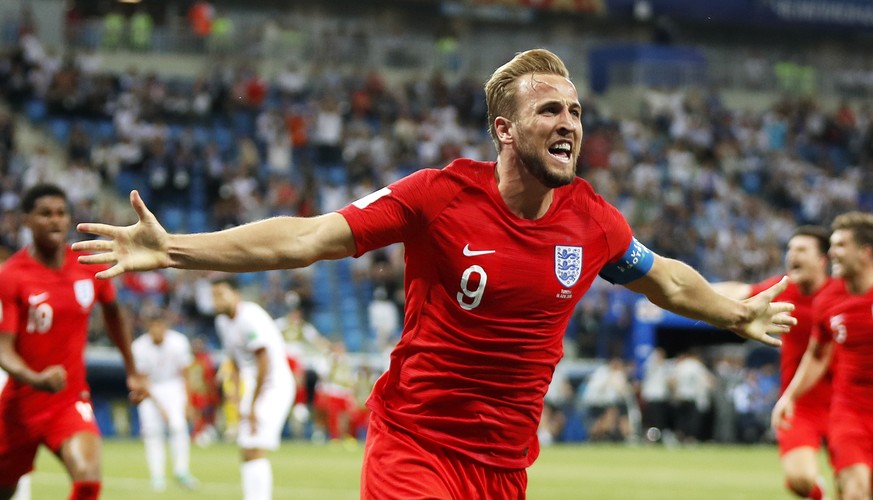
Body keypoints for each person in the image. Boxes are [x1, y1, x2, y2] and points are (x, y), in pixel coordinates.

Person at [73, 49, 795, 498]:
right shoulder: (437, 195)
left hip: (504, 469)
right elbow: (309, 237)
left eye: (574, 110)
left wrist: (737, 314)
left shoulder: (593, 220)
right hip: (415, 445)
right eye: (548, 109)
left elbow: (663, 278)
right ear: (504, 130)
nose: (568, 122)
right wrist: (176, 249)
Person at [0, 183, 146, 500]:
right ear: (26, 220)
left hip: (69, 400)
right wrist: (35, 378)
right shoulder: (11, 275)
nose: (54, 220)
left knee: (88, 482)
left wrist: (132, 369)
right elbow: (3, 349)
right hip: (19, 407)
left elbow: (113, 313)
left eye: (60, 213)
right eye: (44, 214)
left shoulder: (86, 263)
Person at [715, 226, 833, 499]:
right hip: (799, 402)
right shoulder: (783, 288)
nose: (792, 255)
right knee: (800, 479)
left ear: (822, 260)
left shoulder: (842, 293)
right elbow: (742, 290)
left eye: (802, 249)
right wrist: (687, 290)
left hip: (845, 400)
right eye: (790, 249)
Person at [773, 212, 873, 500]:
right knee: (856, 491)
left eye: (841, 245)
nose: (832, 253)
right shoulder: (828, 300)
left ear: (865, 253)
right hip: (849, 410)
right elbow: (817, 356)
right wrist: (790, 396)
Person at [211, 277, 294, 500]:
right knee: (246, 447)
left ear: (236, 295)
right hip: (255, 384)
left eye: (221, 294)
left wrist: (255, 404)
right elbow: (235, 364)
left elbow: (264, 363)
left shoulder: (250, 317)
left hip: (275, 384)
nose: (216, 300)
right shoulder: (222, 323)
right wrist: (237, 401)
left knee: (255, 447)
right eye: (213, 296)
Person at [131, 306, 198, 491]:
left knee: (178, 427)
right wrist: (160, 407)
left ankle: (181, 471)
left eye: (159, 325)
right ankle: (157, 476)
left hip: (174, 386)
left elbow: (186, 374)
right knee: (152, 433)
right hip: (150, 389)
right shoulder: (139, 346)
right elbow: (143, 380)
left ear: (165, 326)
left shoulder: (179, 342)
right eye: (153, 326)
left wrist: (188, 401)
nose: (156, 330)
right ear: (147, 327)